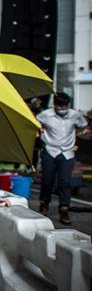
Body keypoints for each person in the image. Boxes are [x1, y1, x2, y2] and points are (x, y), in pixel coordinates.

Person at [36, 93, 89, 225]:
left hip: (67, 153)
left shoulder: (75, 115)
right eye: (60, 105)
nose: (62, 108)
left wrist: (79, 133)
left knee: (65, 182)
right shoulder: (45, 115)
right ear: (54, 105)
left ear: (68, 105)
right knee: (47, 180)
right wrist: (40, 132)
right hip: (50, 150)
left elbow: (83, 125)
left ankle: (64, 209)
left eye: (65, 105)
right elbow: (35, 124)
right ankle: (44, 203)